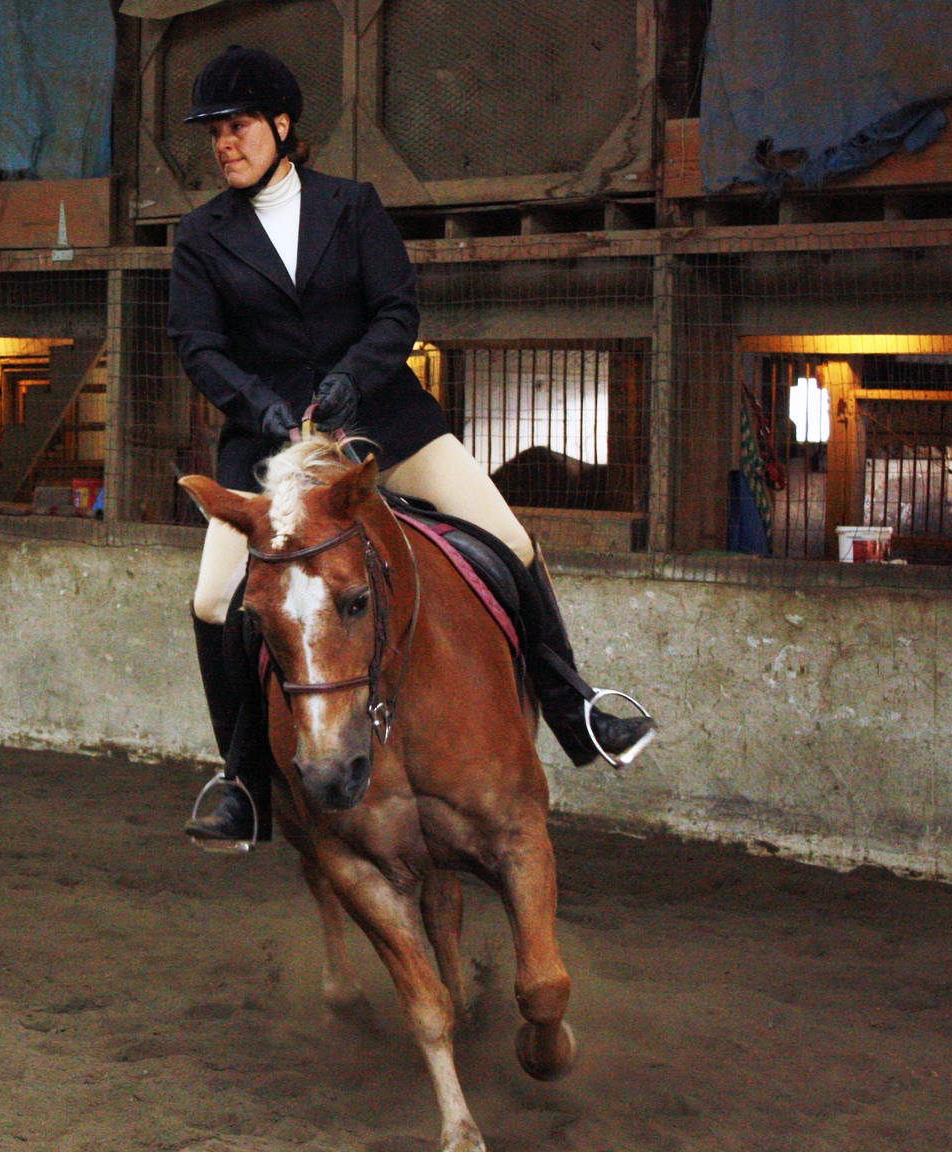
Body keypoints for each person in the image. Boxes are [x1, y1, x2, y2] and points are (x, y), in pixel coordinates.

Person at [168, 46, 658, 847]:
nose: (224, 144)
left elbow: (396, 312)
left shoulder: (352, 207)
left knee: (506, 536)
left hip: (382, 424)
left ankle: (576, 709)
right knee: (214, 599)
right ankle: (244, 782)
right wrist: (258, 404)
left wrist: (352, 381)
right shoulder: (200, 236)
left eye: (239, 126)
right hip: (270, 452)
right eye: (215, 133)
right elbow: (198, 344)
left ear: (283, 127)